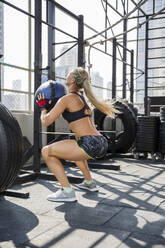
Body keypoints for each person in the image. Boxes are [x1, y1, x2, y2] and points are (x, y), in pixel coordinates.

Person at [36, 67, 119, 202]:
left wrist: (43, 107)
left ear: (73, 80)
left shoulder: (67, 99)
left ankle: (67, 191)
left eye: (69, 74)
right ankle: (89, 183)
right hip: (101, 142)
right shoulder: (83, 99)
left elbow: (46, 121)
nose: (66, 76)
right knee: (76, 148)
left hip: (89, 143)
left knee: (46, 152)